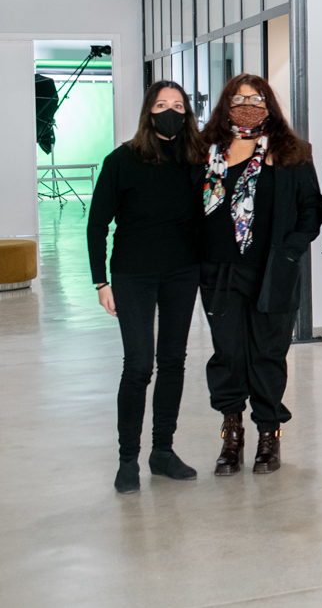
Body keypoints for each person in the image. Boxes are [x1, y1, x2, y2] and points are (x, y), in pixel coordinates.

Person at [200, 75, 322, 476]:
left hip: (272, 271)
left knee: (268, 355)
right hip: (219, 272)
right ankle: (231, 434)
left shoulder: (292, 152)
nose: (247, 106)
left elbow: (311, 211)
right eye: (239, 99)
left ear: (269, 105)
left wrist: (289, 251)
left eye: (256, 99)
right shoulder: (204, 150)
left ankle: (269, 434)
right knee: (228, 354)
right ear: (226, 104)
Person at [88, 81, 205, 494]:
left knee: (173, 361)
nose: (170, 111)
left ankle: (163, 452)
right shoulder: (122, 159)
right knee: (139, 365)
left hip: (182, 272)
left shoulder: (196, 159)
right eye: (161, 104)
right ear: (148, 112)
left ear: (187, 113)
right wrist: (100, 281)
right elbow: (97, 224)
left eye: (178, 105)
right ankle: (127, 460)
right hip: (132, 274)